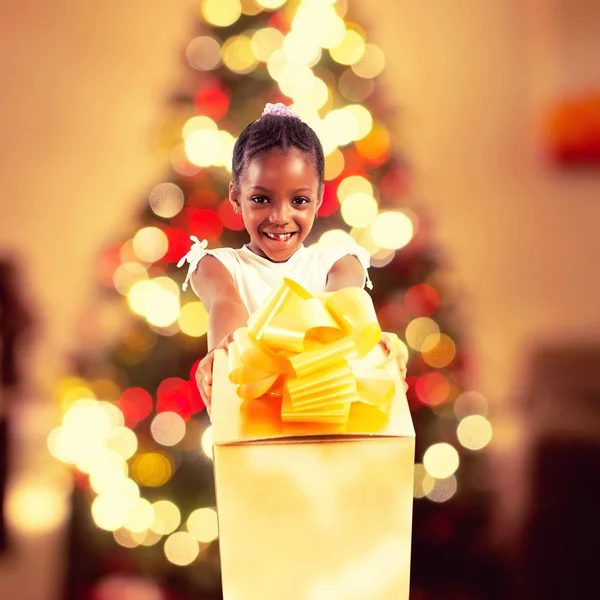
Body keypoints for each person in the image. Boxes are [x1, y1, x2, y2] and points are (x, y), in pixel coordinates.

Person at [178, 102, 407, 413]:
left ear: (319, 199)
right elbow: (227, 306)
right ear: (235, 197)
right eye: (261, 199)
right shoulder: (216, 266)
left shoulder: (339, 264)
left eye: (299, 200)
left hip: (329, 425)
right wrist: (224, 355)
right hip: (254, 429)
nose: (280, 217)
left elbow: (345, 320)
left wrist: (383, 354)